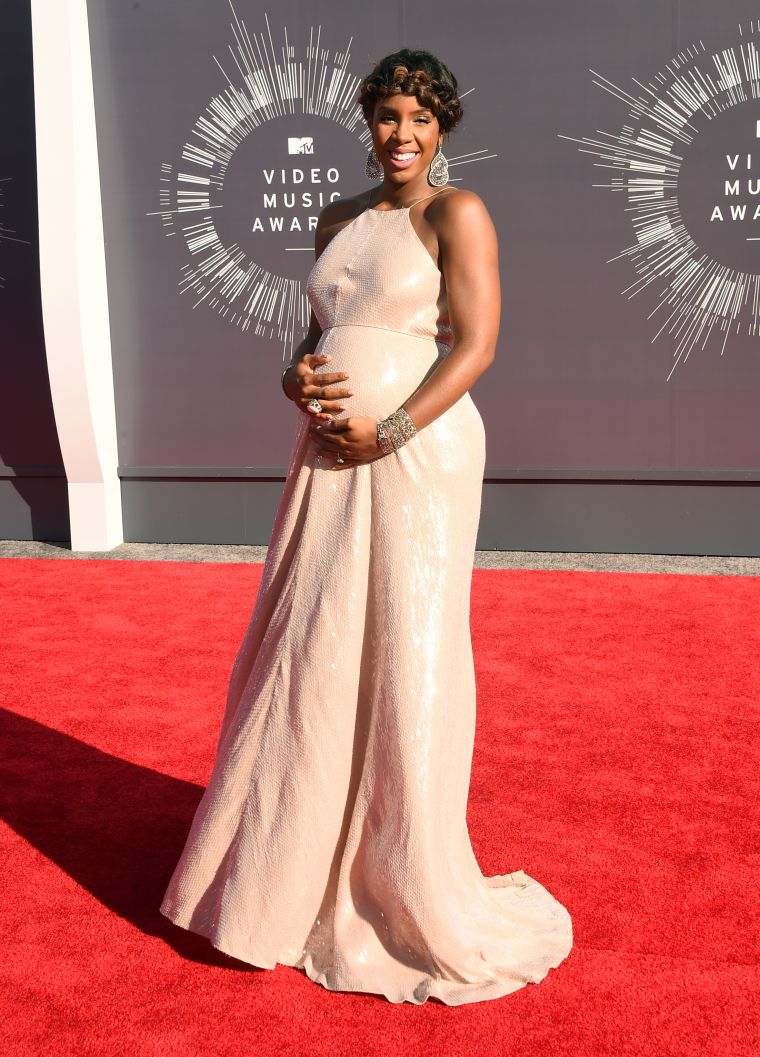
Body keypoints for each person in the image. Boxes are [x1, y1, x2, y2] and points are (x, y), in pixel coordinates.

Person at [159, 48, 573, 1006]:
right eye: (388, 117)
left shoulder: (456, 215)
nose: (403, 136)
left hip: (417, 457)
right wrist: (295, 383)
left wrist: (386, 429)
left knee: (405, 650)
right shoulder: (337, 218)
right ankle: (285, 867)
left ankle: (401, 875)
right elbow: (313, 343)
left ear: (444, 128)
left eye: (421, 120)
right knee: (309, 646)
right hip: (327, 457)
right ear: (368, 122)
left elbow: (476, 344)